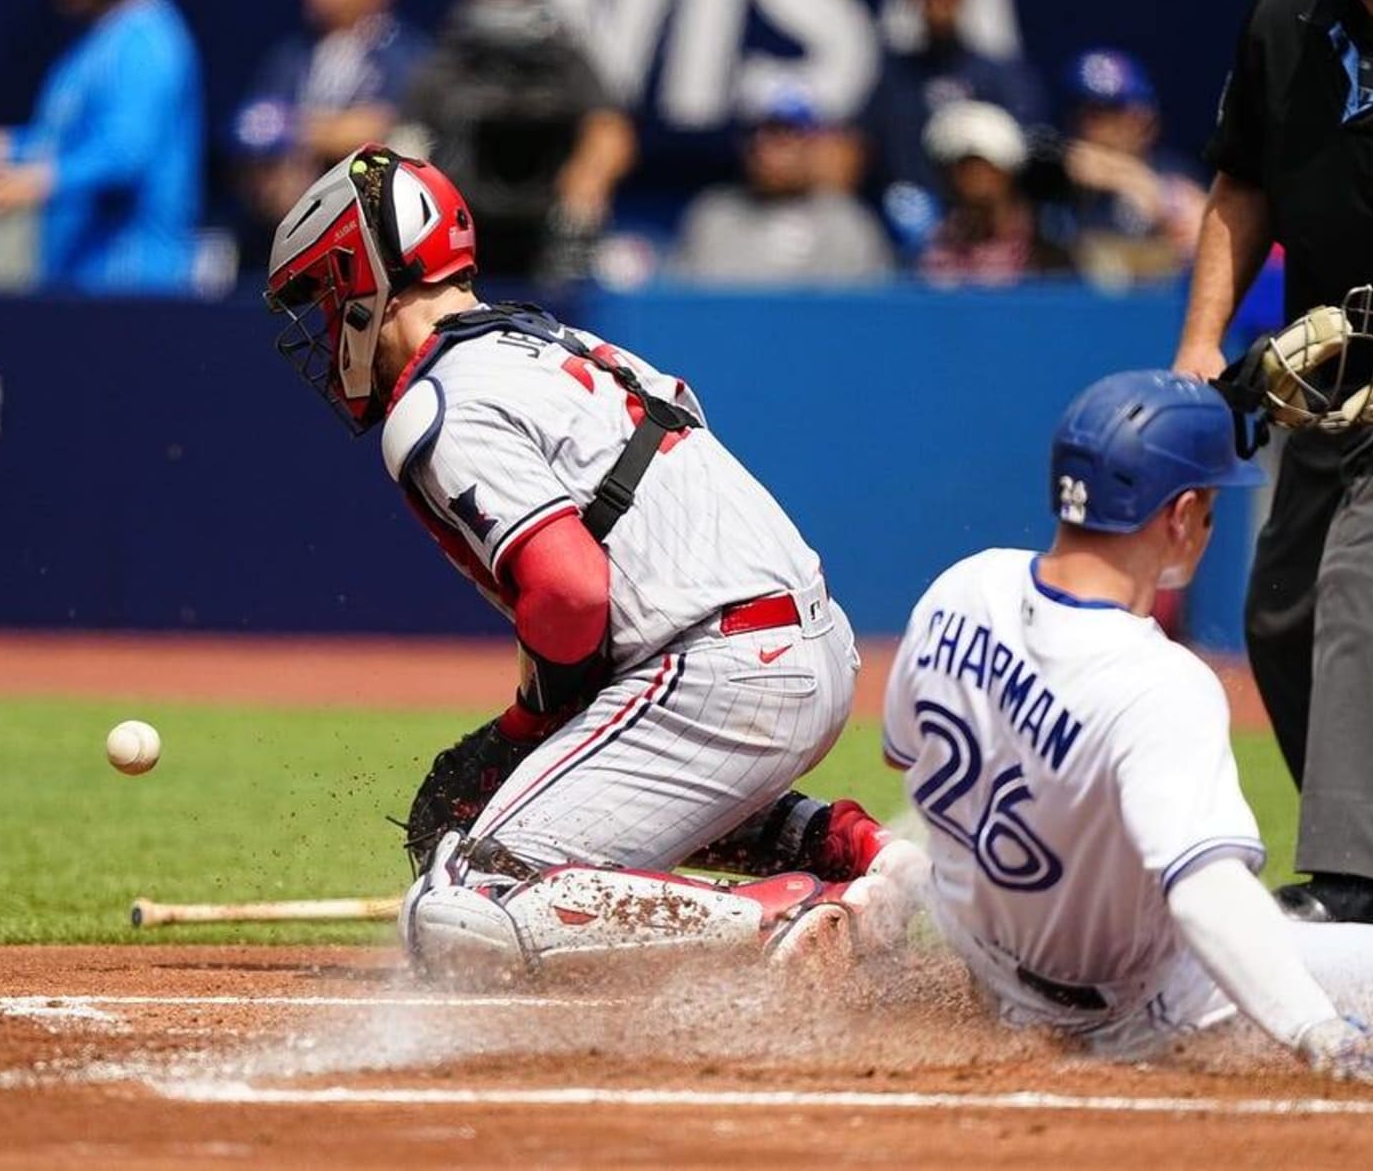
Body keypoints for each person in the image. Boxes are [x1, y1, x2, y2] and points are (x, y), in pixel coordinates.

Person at [264, 145, 922, 977]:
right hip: (809, 646)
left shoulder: (436, 401)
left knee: (463, 901)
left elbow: (572, 593)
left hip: (716, 668)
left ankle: (786, 918)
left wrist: (520, 730)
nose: (326, 329)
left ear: (364, 276)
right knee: (602, 780)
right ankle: (860, 858)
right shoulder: (561, 343)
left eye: (325, 296)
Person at [883, 370, 1373, 1077]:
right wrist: (1318, 1030)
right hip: (1125, 1008)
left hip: (982, 959)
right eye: (1209, 508)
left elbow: (904, 757)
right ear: (1180, 515)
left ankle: (892, 881)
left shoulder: (963, 587)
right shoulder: (1162, 684)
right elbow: (1206, 894)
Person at [1173, 0, 1373, 926]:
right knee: (1281, 612)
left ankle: (1359, 885)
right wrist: (1200, 344)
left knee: (1361, 582)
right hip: (1337, 368)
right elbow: (1242, 183)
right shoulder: (1289, 15)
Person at [0, 0, 202, 294]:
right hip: (76, 284)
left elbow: (127, 151)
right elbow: (63, 140)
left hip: (131, 286)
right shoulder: (99, 38)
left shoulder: (147, 39)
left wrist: (37, 182)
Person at [396, 0, 636, 279]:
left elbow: (610, 131)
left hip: (548, 232)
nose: (502, 2)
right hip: (463, 233)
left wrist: (583, 192)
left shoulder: (563, 59)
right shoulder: (445, 65)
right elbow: (405, 143)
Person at [230, 0, 425, 228]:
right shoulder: (289, 57)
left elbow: (385, 132)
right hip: (281, 236)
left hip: (369, 235)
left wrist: (294, 130)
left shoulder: (410, 59)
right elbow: (250, 131)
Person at [861, 0, 1046, 239]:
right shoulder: (894, 80)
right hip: (907, 225)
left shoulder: (998, 77)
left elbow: (1027, 152)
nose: (938, 1)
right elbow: (864, 148)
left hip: (987, 223)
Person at [669, 85, 894, 285]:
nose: (772, 151)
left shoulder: (849, 223)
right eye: (760, 135)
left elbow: (878, 316)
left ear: (812, 144)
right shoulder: (713, 219)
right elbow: (682, 310)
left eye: (787, 135)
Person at [1060, 48, 1207, 280]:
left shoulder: (1174, 174)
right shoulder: (1059, 175)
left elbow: (1207, 248)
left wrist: (1130, 179)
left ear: (1143, 117)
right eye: (1082, 112)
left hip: (1157, 309)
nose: (1089, 126)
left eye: (1106, 112)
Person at [918, 100, 1070, 285]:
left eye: (983, 165)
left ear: (1007, 171)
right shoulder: (937, 247)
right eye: (962, 166)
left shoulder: (1046, 249)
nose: (974, 177)